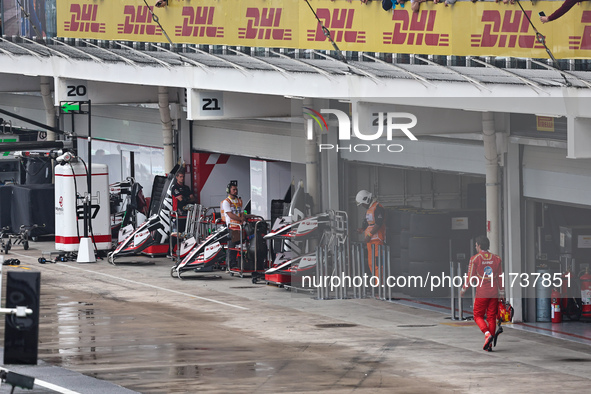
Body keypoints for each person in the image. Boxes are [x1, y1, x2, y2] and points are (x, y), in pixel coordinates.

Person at [460, 235, 505, 352]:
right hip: (494, 292)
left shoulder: (475, 259)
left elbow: (470, 277)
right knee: (491, 317)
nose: (475, 247)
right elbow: (500, 277)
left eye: (476, 245)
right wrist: (502, 293)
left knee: (477, 315)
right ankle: (489, 345)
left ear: (479, 246)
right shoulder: (497, 258)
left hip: (482, 293)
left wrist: (464, 289)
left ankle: (486, 334)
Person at [356, 190, 386, 276]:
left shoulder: (378, 208)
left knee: (377, 264)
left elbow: (378, 223)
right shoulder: (369, 209)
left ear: (366, 199)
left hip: (377, 241)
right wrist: (362, 229)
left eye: (362, 203)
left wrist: (369, 235)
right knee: (371, 264)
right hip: (370, 242)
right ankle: (376, 284)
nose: (362, 206)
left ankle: (379, 286)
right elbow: (368, 223)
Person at [222, 181, 246, 269]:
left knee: (238, 247)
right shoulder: (226, 202)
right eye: (233, 189)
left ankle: (235, 264)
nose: (235, 191)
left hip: (239, 227)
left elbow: (242, 212)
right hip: (232, 227)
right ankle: (229, 266)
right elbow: (229, 214)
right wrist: (240, 219)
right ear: (229, 190)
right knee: (231, 247)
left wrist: (242, 219)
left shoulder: (239, 201)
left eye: (236, 189)